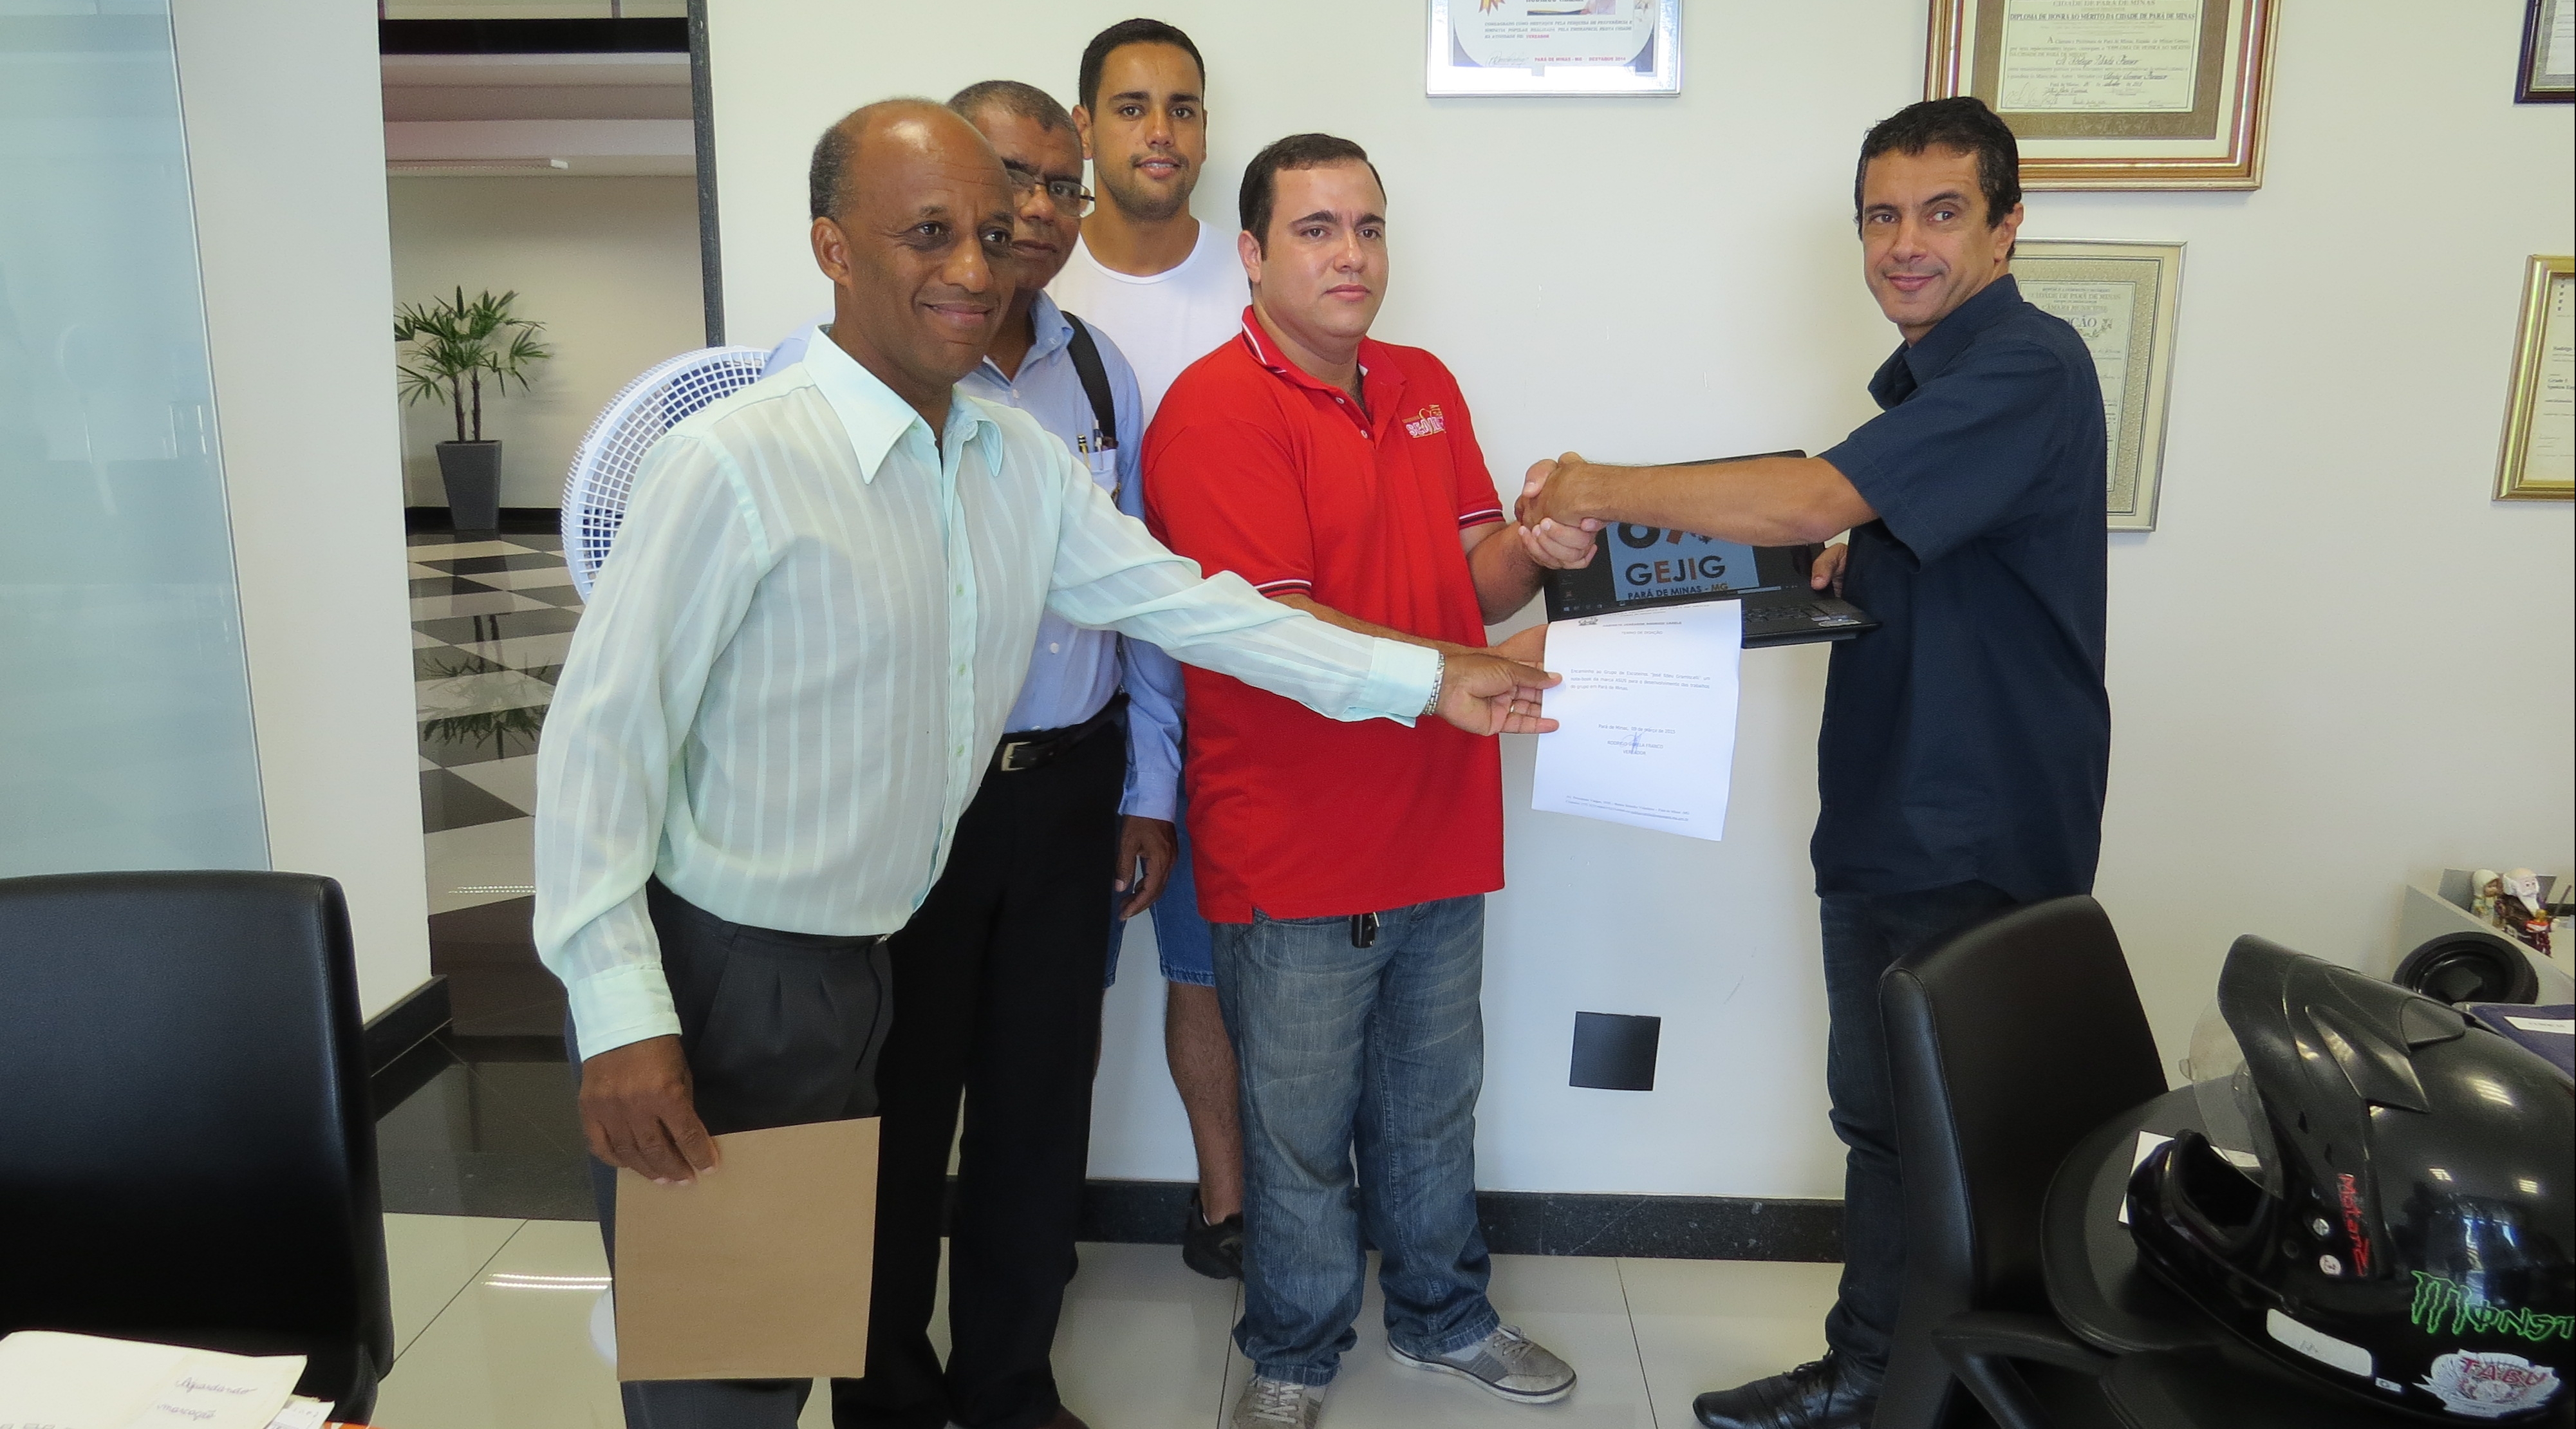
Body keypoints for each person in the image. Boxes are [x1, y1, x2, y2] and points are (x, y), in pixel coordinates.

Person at [534, 99, 1558, 1429]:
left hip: (867, 960)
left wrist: (1429, 679)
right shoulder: (733, 461)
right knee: (725, 1373)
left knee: (803, 1308)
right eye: (929, 234)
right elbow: (597, 750)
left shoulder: (1010, 457)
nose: (976, 265)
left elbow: (1196, 610)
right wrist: (622, 1015)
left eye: (996, 229)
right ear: (833, 249)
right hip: (731, 969)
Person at [1515, 96, 2111, 1429]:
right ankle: (1871, 1375)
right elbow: (1850, 527)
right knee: (1886, 1119)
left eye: (1943, 212)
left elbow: (1809, 493)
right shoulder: (1928, 391)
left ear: (2008, 227)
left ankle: (1969, 1395)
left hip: (1974, 824)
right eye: (1881, 216)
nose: (1906, 244)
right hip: (1892, 815)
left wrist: (1596, 487)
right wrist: (1843, 559)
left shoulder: (2026, 363)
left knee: (1963, 1131)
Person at [1143, 132, 1591, 1429]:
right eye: (1317, 228)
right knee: (1296, 1140)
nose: (1352, 255)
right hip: (1295, 846)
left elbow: (1475, 579)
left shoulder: (1422, 383)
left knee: (1434, 1110)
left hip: (1440, 820)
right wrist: (1464, 667)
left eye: (1369, 227)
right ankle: (1291, 1354)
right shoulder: (1214, 412)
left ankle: (1447, 1319)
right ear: (1251, 253)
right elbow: (1279, 635)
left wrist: (1537, 545)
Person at [814, 79, 1188, 1429]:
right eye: (1003, 185)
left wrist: (1148, 787)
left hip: (1068, 792)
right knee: (896, 1116)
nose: (1028, 216)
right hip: (914, 802)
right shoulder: (869, 377)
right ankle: (888, 1401)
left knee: (1037, 1115)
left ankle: (1011, 1387)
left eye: (1056, 188)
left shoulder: (1095, 373)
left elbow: (1147, 592)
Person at [1048, 15, 1256, 1278]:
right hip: (1061, 692)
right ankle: (1031, 1234)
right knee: (1048, 992)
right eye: (1131, 107)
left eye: (1181, 107)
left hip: (1220, 685)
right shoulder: (1037, 292)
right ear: (1085, 128)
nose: (1160, 132)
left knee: (1205, 960)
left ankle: (1226, 1211)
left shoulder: (1250, 282)